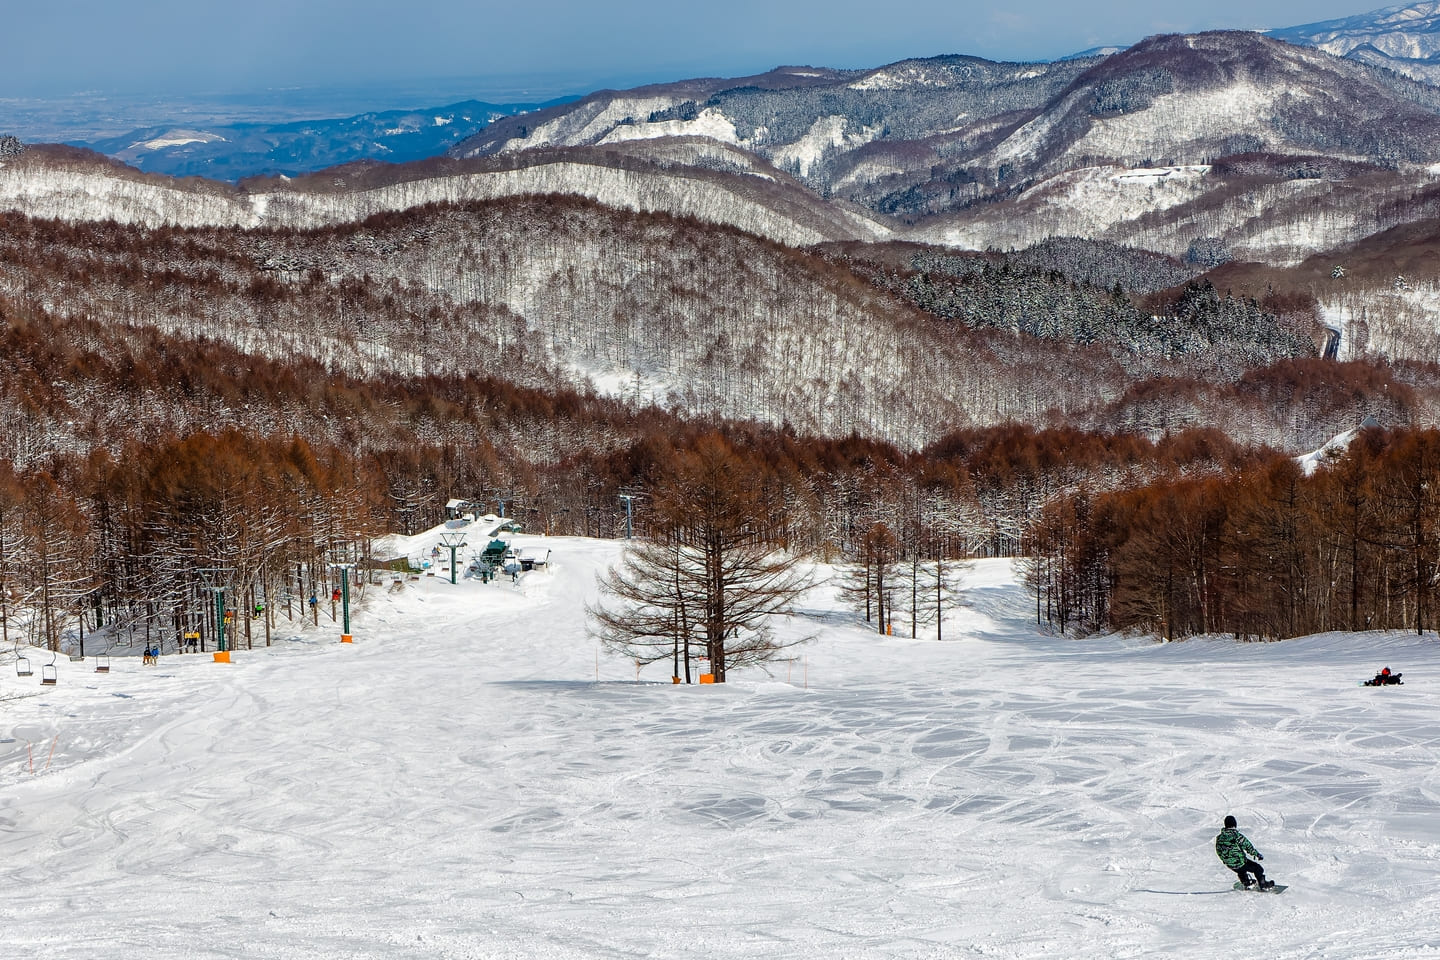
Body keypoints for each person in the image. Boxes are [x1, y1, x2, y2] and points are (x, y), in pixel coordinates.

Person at [1216, 815, 1273, 889]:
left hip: (1230, 864)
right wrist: (1257, 855)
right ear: (1234, 824)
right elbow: (1248, 847)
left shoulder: (1220, 838)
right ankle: (1263, 884)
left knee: (1241, 870)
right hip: (1240, 862)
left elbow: (1218, 850)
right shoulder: (1237, 836)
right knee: (1258, 868)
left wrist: (1225, 860)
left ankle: (1246, 882)